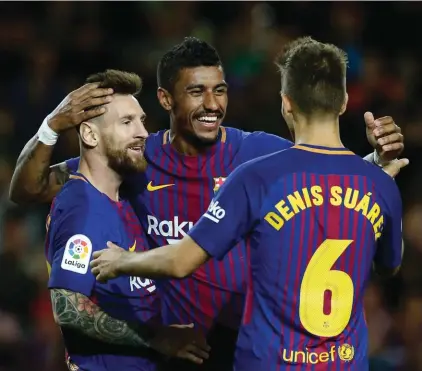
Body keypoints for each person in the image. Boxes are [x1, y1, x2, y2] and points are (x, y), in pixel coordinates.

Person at [9, 37, 405, 370]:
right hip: (174, 349)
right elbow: (29, 189)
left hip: (243, 345)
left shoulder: (256, 153)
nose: (212, 104)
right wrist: (52, 125)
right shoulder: (136, 158)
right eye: (196, 92)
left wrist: (375, 160)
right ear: (166, 98)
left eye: (220, 90)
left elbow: (324, 176)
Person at [45, 69, 209, 371]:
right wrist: (153, 337)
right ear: (90, 135)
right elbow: (67, 308)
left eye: (141, 121)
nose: (143, 133)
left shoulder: (126, 195)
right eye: (126, 122)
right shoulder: (83, 210)